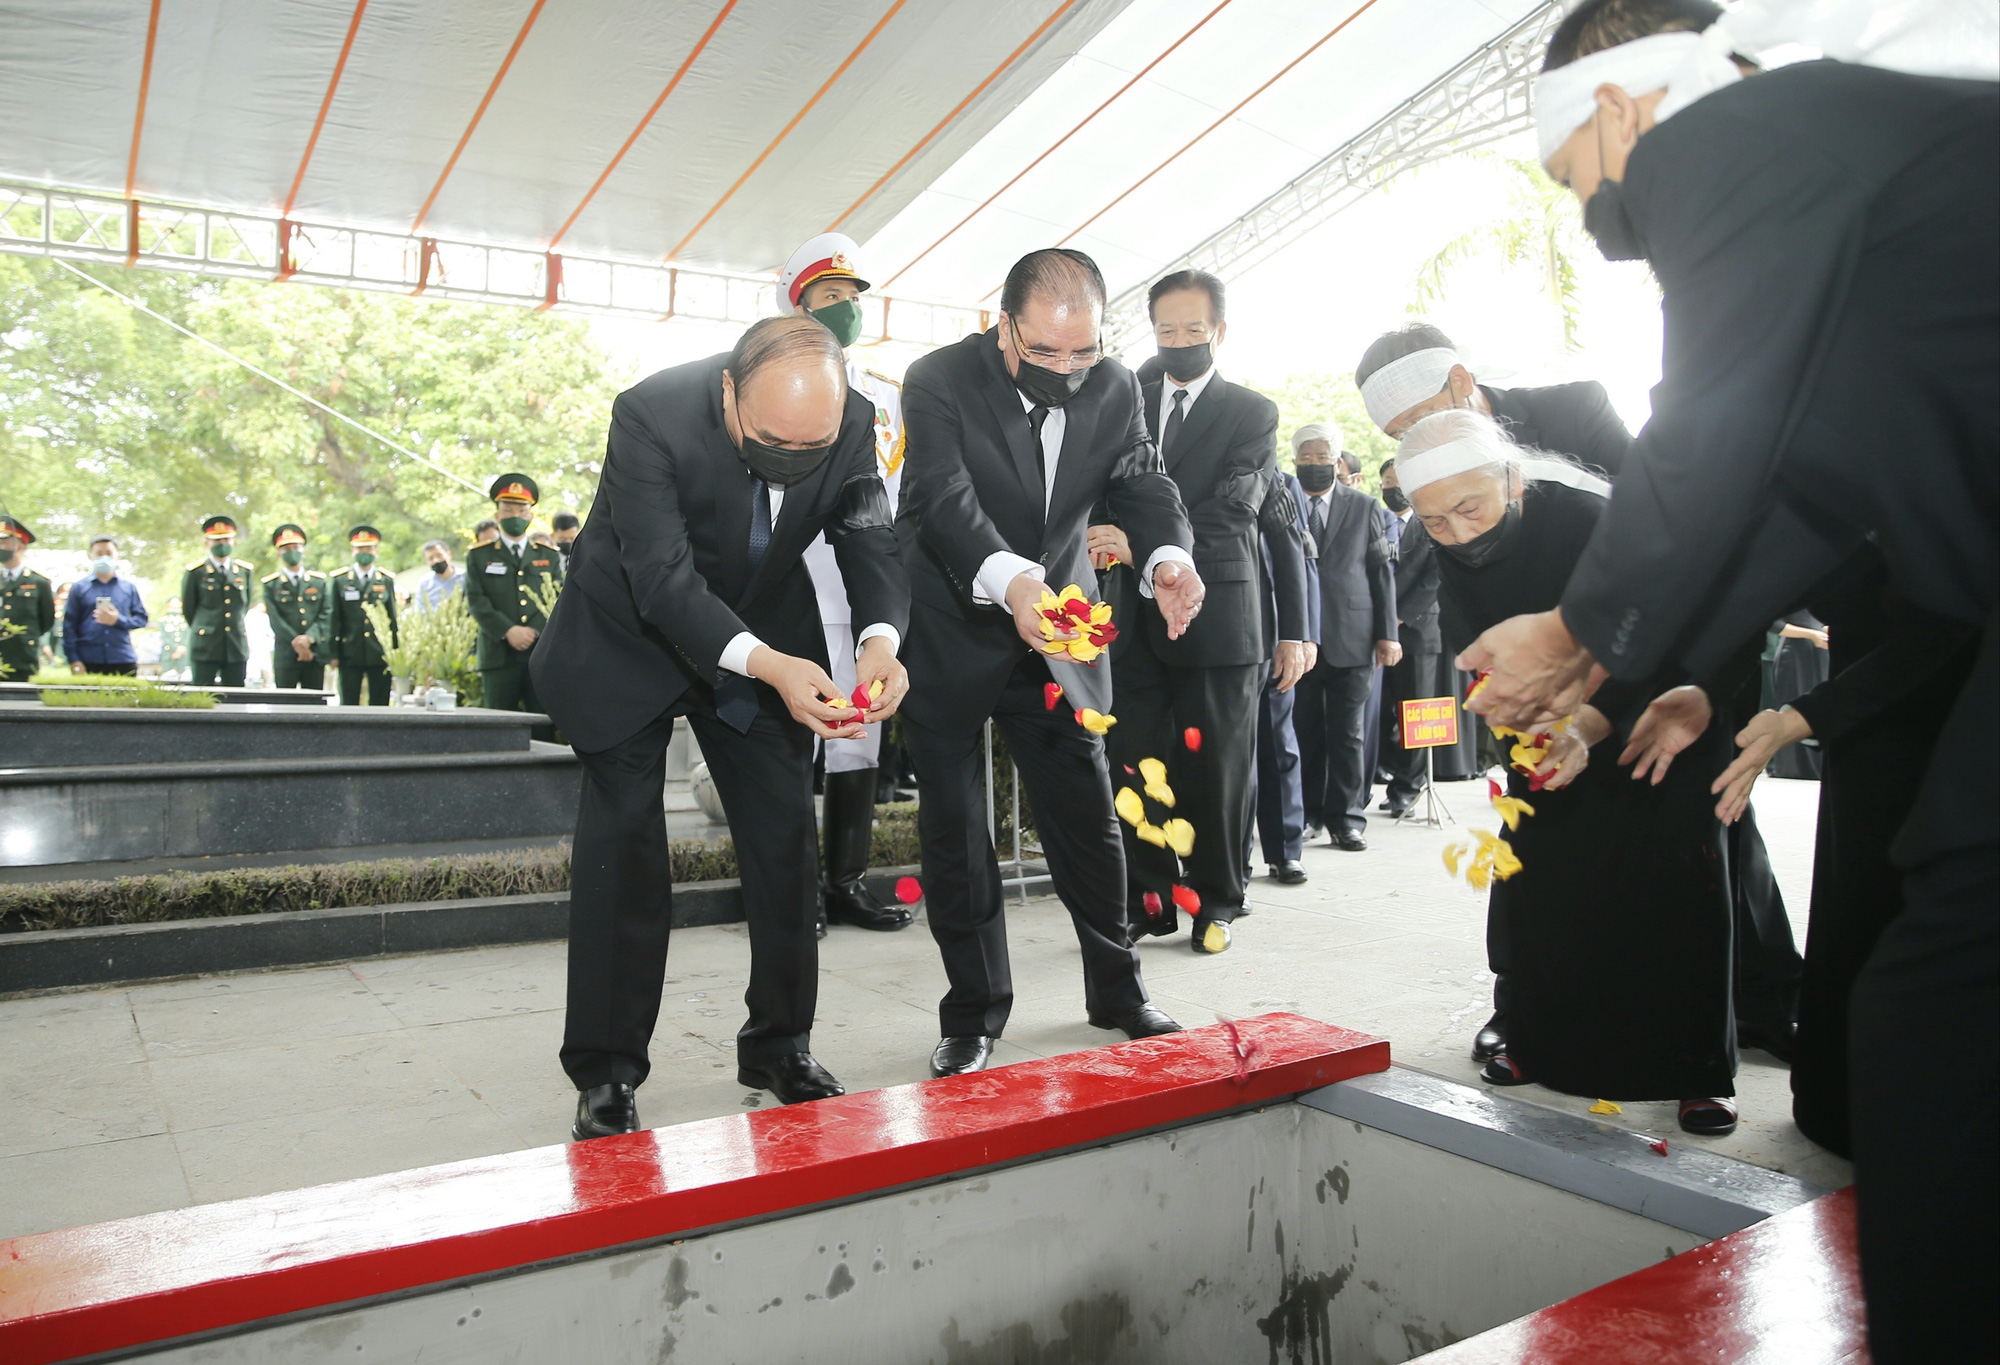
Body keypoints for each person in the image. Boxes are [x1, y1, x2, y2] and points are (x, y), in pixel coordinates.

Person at [1453, 5, 1996, 1351]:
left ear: (1619, 107)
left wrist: (1571, 625)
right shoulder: (1837, 179)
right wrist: (1614, 667)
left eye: (1573, 177)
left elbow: (1712, 421)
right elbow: (1801, 493)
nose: (1586, 214)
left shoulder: (1738, 132)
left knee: (1934, 1002)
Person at [531, 316, 910, 1134]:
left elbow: (869, 538)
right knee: (625, 851)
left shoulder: (851, 418)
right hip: (629, 636)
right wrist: (769, 665)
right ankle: (607, 1069)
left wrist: (880, 641)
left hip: (764, 624)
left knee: (784, 840)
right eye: (773, 443)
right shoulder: (651, 413)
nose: (792, 461)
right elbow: (662, 580)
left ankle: (780, 1043)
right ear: (730, 391)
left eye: (811, 449)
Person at [897, 247, 1201, 1078]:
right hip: (954, 623)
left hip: (1062, 632)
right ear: (1004, 327)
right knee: (957, 831)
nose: (1067, 370)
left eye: (1084, 351)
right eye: (1044, 351)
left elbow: (1141, 480)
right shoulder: (939, 378)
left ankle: (1118, 989)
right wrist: (1015, 583)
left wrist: (1168, 558)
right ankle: (973, 1012)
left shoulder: (1118, 386)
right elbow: (940, 497)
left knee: (1088, 816)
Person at [1406, 407, 1739, 1135]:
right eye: (1435, 522)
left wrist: (1589, 718)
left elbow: (1660, 627)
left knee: (1672, 889)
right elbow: (1477, 641)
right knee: (1548, 884)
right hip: (1546, 729)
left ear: (1513, 479)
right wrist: (1521, 720)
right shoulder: (1447, 543)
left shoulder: (1593, 520)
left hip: (1660, 711)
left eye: (1471, 509)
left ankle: (1696, 1071)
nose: (1457, 533)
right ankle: (1539, 1043)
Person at [1710, 547, 1977, 1159]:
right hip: (1869, 721)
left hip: (1957, 703)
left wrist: (1802, 716)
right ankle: (1854, 1096)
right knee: (1862, 895)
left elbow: (1946, 624)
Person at [1089, 268, 1309, 955]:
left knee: (1218, 768)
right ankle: (1150, 898)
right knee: (1135, 762)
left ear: (1219, 331)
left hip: (1219, 615)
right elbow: (1096, 488)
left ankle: (1218, 898)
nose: (1178, 340)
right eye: (1166, 329)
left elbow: (1234, 508)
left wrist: (1148, 548)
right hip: (1131, 616)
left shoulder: (1251, 412)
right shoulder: (1121, 397)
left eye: (1192, 329)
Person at [782, 232, 917, 935]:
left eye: (851, 296)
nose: (845, 308)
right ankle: (794, 892)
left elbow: (900, 493)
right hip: (797, 582)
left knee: (859, 734)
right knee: (795, 739)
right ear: (799, 307)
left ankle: (846, 882)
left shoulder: (888, 395)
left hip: (867, 590)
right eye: (829, 296)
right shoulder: (775, 380)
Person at [1291, 424, 1398, 852]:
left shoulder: (1366, 506)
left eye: (1322, 458)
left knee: (1348, 734)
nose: (1314, 465)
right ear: (1294, 461)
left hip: (1354, 637)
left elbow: (1381, 572)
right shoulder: (1284, 502)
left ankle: (1347, 819)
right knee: (1303, 731)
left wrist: (1388, 634)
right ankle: (1307, 813)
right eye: (1306, 458)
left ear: (1337, 463)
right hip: (1299, 639)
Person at [1356, 322, 1631, 477]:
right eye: (1401, 436)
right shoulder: (1427, 468)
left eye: (1420, 419)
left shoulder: (1576, 409)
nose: (1418, 437)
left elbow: (1643, 495)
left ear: (1459, 381)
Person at [1253, 468, 1319, 884]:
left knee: (1278, 743)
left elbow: (1295, 556)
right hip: (1200, 630)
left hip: (1269, 633)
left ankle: (1285, 851)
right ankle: (1225, 862)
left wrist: (1297, 635)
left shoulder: (1277, 480)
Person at [464, 475, 562, 742]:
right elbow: (476, 600)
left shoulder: (548, 555)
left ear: (531, 515)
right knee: (496, 730)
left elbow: (557, 599)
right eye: (508, 510)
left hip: (539, 654)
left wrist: (534, 630)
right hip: (498, 656)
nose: (515, 516)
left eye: (521, 510)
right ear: (497, 515)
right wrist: (509, 630)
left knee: (542, 729)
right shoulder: (479, 555)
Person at [1377, 459, 1441, 817]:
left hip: (1416, 630)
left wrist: (1398, 616)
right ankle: (1385, 772)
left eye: (1398, 481)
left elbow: (1435, 577)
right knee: (1381, 712)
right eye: (1387, 481)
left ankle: (1408, 787)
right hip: (1376, 633)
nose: (1393, 488)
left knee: (1414, 713)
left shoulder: (1431, 519)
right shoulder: (1377, 518)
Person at [327, 525, 397, 705]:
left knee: (380, 704)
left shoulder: (386, 580)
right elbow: (334, 618)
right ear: (353, 551)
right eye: (360, 549)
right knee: (348, 703)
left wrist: (395, 651)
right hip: (350, 651)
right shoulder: (340, 580)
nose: (364, 552)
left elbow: (392, 618)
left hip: (379, 652)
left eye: (369, 548)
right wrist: (332, 653)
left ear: (376, 551)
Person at [181, 516, 252, 688]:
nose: (222, 544)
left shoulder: (244, 571)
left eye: (226, 539)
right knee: (202, 694)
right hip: (205, 646)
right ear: (207, 543)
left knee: (236, 696)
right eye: (217, 540)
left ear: (234, 541)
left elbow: (244, 605)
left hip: (235, 645)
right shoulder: (196, 572)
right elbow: (189, 609)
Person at [261, 524, 330, 690]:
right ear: (278, 553)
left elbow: (326, 614)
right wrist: (298, 644)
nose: (291, 551)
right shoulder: (271, 585)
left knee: (314, 702)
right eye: (286, 548)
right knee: (284, 702)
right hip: (285, 654)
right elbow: (276, 619)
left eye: (295, 547)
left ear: (303, 550)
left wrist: (309, 638)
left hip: (314, 652)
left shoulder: (318, 582)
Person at [0, 516, 55, 682]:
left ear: (19, 547)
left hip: (23, 658)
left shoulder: (39, 583)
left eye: (4, 542)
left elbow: (46, 621)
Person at [413, 540, 462, 613]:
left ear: (449, 554)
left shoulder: (465, 577)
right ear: (427, 562)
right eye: (430, 558)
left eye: (439, 555)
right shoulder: (424, 583)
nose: (436, 560)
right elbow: (419, 611)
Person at [157, 597, 188, 681]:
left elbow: (188, 635)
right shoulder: (163, 621)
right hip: (169, 652)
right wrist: (175, 648)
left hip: (183, 652)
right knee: (167, 676)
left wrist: (181, 649)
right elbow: (164, 637)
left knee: (185, 676)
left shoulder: (186, 620)